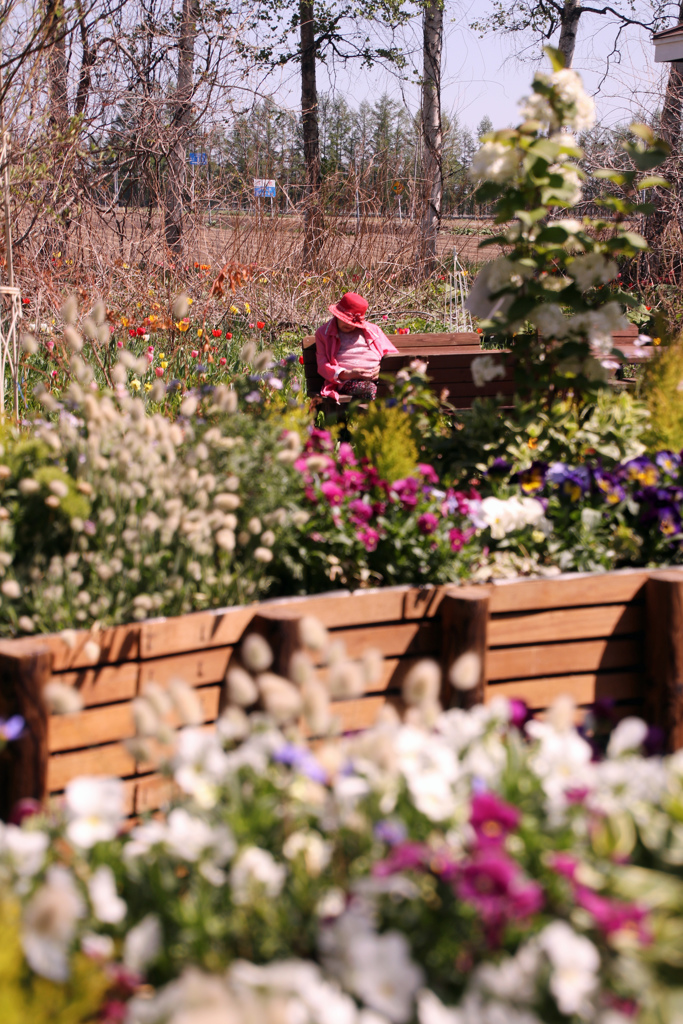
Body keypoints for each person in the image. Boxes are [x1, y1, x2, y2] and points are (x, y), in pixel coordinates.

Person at [315, 292, 398, 402]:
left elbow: (393, 356)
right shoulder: (323, 333)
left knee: (402, 389)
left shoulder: (373, 330)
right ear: (337, 315)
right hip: (349, 381)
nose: (348, 324)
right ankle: (381, 418)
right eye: (344, 320)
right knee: (374, 391)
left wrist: (382, 370)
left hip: (379, 378)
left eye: (352, 322)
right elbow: (322, 365)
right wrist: (348, 374)